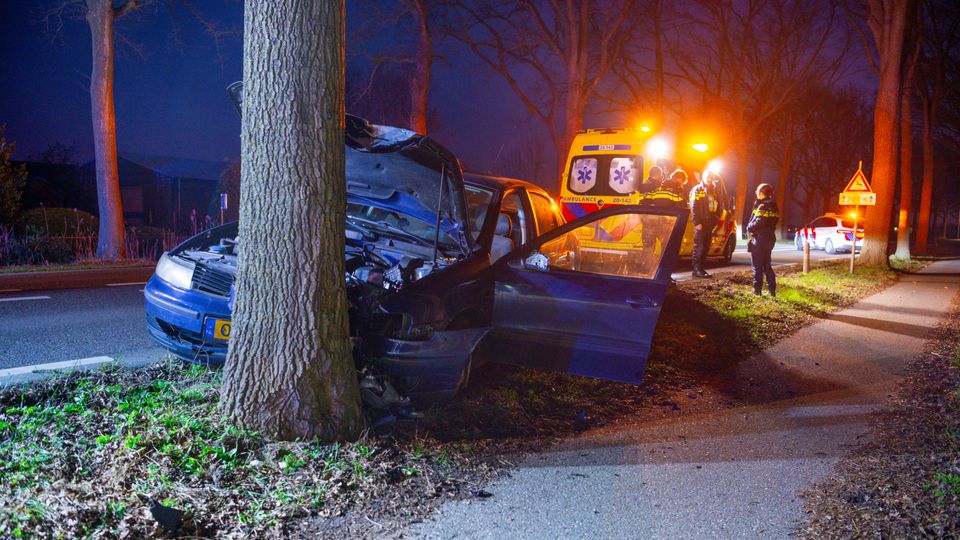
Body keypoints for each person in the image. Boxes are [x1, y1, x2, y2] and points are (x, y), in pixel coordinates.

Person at [746, 183, 780, 296]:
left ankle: (757, 291)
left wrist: (749, 227)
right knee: (767, 266)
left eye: (757, 190)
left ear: (761, 193)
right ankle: (772, 291)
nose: (756, 192)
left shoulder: (762, 206)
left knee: (757, 266)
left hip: (759, 240)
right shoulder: (774, 206)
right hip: (770, 239)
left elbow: (759, 222)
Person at [688, 170, 721, 278]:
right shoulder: (697, 189)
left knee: (706, 247)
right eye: (707, 176)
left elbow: (719, 206)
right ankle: (696, 269)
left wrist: (716, 219)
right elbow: (693, 206)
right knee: (699, 247)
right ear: (703, 176)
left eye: (711, 176)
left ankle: (701, 269)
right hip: (701, 223)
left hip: (710, 223)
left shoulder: (714, 191)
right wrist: (697, 222)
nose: (709, 178)